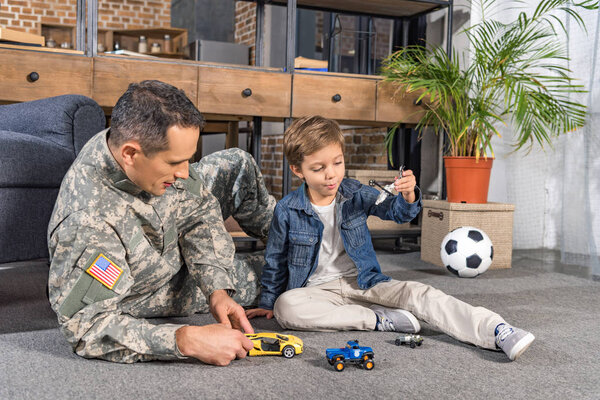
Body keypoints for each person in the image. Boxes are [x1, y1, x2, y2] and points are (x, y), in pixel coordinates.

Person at [246, 115, 535, 361]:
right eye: (318, 168)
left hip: (363, 281)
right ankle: (380, 319)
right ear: (298, 170)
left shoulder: (355, 192)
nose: (331, 175)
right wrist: (269, 301)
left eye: (337, 163)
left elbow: (396, 212)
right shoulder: (287, 208)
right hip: (316, 291)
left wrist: (408, 195)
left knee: (419, 293)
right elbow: (275, 258)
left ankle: (495, 330)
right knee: (287, 307)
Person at [47, 80, 275, 365]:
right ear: (130, 154)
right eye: (173, 163)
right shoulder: (88, 222)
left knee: (236, 164)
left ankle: (300, 233)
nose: (184, 173)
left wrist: (217, 288)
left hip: (168, 239)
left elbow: (199, 210)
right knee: (271, 276)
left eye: (187, 160)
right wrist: (186, 339)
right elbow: (86, 327)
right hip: (144, 283)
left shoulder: (149, 156)